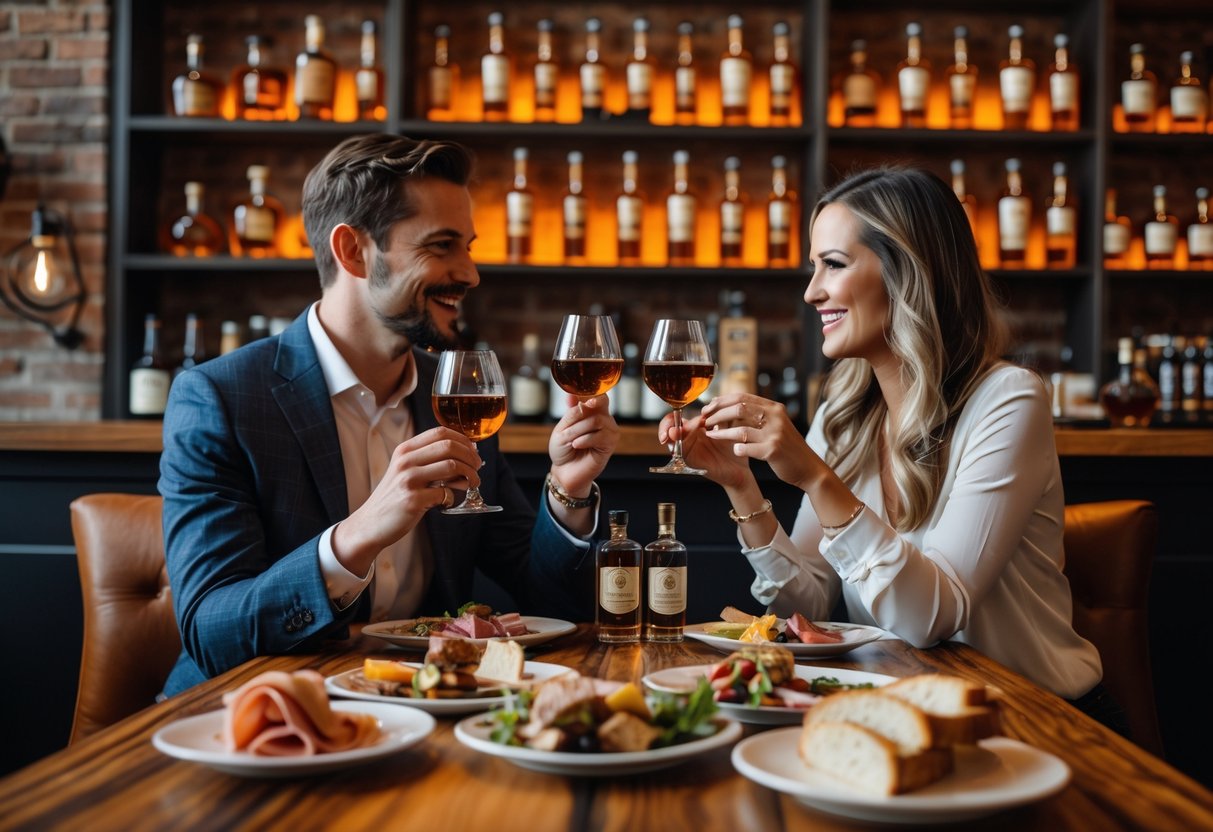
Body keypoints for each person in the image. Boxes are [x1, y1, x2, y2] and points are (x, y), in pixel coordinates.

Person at [160, 134, 619, 696]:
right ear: (354, 251)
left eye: (468, 247)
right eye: (442, 246)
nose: (471, 273)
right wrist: (355, 537)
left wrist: (567, 495)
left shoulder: (457, 398)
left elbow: (546, 597)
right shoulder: (220, 398)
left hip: (418, 708)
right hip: (242, 716)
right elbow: (212, 634)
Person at [663, 166, 1120, 727]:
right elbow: (806, 606)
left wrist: (815, 478)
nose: (812, 292)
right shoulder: (844, 414)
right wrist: (741, 484)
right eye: (814, 267)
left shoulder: (1007, 401)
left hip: (1039, 719)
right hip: (905, 715)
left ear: (906, 273)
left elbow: (932, 615)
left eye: (833, 264)